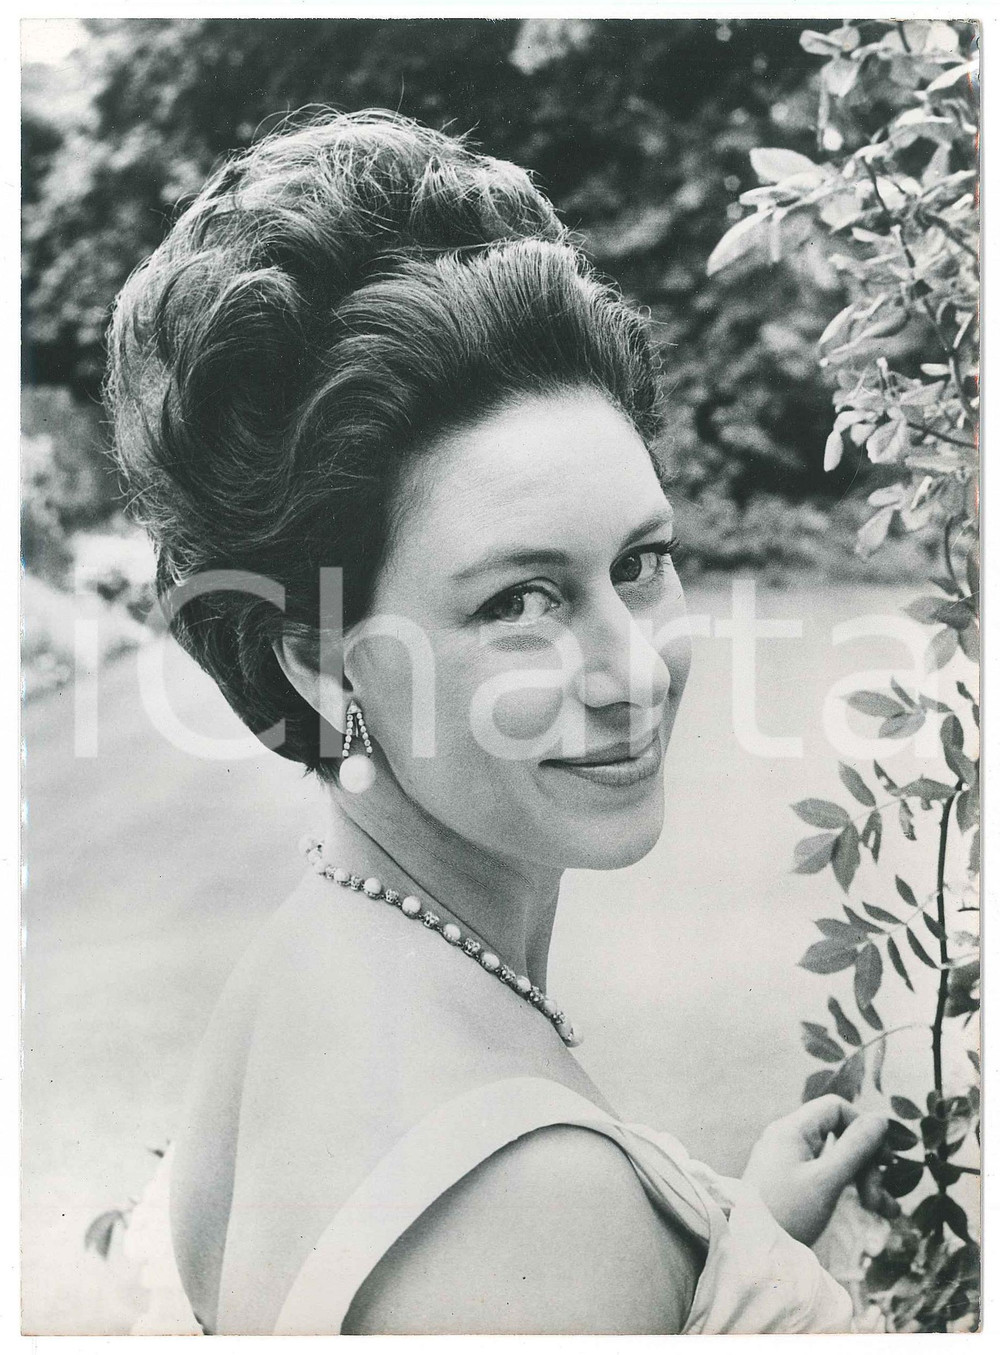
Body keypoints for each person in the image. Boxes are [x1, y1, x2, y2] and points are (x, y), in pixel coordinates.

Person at [105, 109, 896, 1336]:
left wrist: (732, 1234)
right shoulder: (530, 1208)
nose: (632, 668)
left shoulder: (311, 966)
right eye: (518, 601)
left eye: (642, 561)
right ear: (320, 666)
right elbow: (511, 1235)